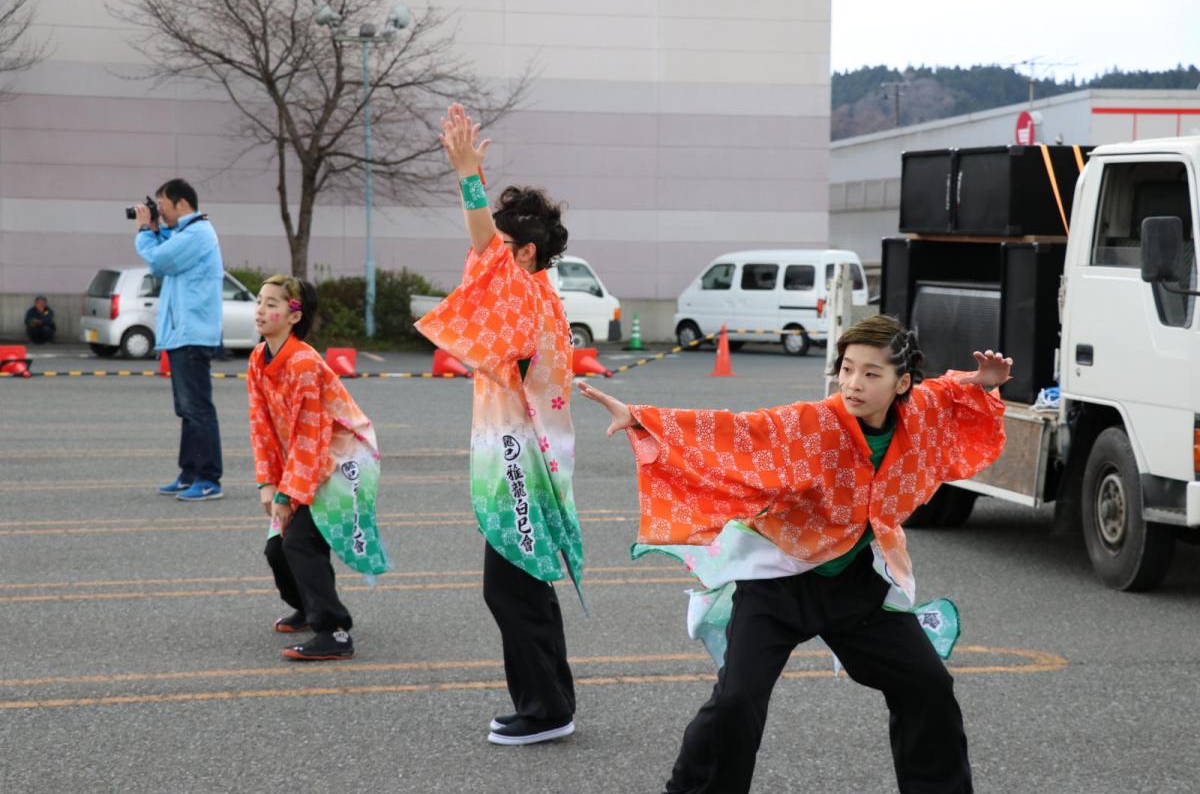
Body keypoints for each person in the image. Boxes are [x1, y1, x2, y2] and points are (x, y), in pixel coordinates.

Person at [576, 315, 1012, 794]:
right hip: (776, 581)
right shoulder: (812, 423)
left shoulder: (919, 412)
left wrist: (982, 383)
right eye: (847, 369)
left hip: (856, 584)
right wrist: (642, 417)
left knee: (928, 685)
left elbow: (946, 393)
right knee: (737, 701)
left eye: (871, 373)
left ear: (901, 382)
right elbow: (736, 432)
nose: (853, 384)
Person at [415, 103, 581, 746]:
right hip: (521, 458)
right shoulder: (531, 295)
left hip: (524, 465)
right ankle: (550, 701)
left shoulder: (531, 297)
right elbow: (485, 252)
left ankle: (546, 709)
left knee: (512, 588)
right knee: (523, 586)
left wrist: (468, 178)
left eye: (503, 248)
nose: (484, 256)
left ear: (528, 252)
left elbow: (486, 253)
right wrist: (469, 180)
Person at [248, 274, 390, 661]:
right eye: (260, 301)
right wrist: (267, 482)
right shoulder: (258, 359)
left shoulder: (304, 363)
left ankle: (335, 631)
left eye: (272, 304)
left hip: (344, 461)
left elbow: (310, 436)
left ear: (294, 316)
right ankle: (308, 609)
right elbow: (261, 427)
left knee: (300, 540)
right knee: (277, 549)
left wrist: (286, 493)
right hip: (307, 461)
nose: (261, 310)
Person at [133, 179, 225, 502]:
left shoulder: (199, 233)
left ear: (182, 203)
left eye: (163, 206)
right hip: (181, 334)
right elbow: (166, 248)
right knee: (186, 409)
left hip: (193, 334)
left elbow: (158, 261)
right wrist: (157, 229)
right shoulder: (186, 233)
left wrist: (145, 231)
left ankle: (209, 478)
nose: (160, 212)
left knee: (198, 408)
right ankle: (189, 473)